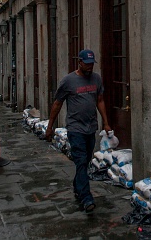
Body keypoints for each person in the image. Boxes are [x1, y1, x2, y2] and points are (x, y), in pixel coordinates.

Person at [45, 49, 111, 213]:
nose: (89, 67)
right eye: (86, 64)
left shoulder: (96, 79)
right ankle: (86, 197)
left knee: (87, 159)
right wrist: (50, 126)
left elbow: (100, 100)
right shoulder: (68, 81)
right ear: (79, 62)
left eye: (91, 64)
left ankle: (77, 184)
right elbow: (57, 103)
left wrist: (106, 123)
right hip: (75, 128)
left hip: (91, 127)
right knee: (80, 160)